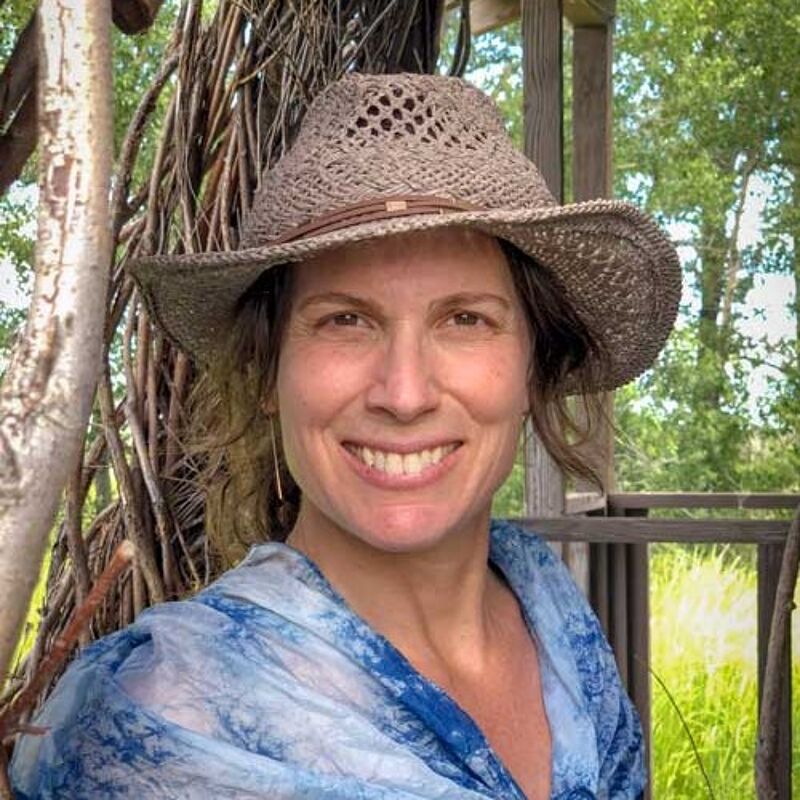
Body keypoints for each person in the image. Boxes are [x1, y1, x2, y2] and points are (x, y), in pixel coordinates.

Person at [10, 73, 680, 799]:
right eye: (344, 320)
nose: (404, 393)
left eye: (465, 319)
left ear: (533, 366)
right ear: (268, 373)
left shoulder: (559, 626)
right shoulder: (151, 717)